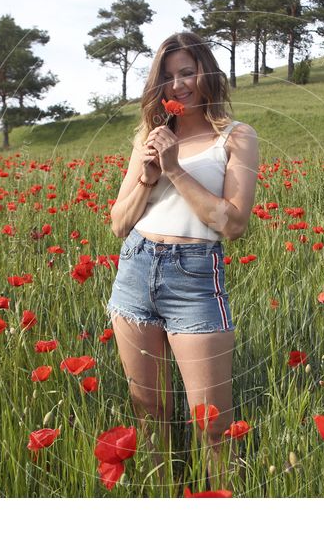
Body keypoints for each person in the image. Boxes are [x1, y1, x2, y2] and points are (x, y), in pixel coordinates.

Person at [106, 31, 259, 491]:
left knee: (212, 422)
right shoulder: (148, 138)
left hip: (194, 276)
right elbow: (118, 223)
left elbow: (231, 223)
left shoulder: (236, 137)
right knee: (150, 412)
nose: (178, 85)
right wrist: (149, 177)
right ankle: (163, 500)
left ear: (206, 73)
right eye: (168, 77)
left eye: (187, 72)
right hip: (135, 268)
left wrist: (174, 169)